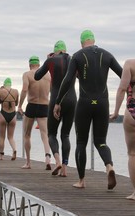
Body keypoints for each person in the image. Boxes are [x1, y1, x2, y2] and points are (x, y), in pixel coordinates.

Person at [54, 30, 122, 189]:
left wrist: (58, 102)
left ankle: (81, 181)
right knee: (101, 142)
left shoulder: (77, 56)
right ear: (93, 40)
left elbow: (68, 79)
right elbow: (122, 74)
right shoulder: (107, 55)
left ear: (81, 42)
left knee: (81, 142)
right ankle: (109, 166)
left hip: (84, 103)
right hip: (103, 103)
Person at [34, 41, 77, 176]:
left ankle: (57, 161)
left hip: (55, 100)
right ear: (65, 50)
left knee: (52, 133)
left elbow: (37, 76)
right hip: (71, 99)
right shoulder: (73, 60)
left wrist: (48, 61)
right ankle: (64, 168)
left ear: (55, 50)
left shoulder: (51, 60)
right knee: (66, 134)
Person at [18, 56, 52, 169]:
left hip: (32, 105)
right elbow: (52, 90)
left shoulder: (27, 74)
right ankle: (47, 157)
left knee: (27, 134)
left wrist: (19, 105)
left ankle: (28, 162)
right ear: (39, 64)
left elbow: (24, 89)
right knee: (44, 134)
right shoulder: (48, 75)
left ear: (29, 65)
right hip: (44, 105)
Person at [110, 59, 135, 199]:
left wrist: (115, 112)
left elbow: (122, 89)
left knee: (132, 154)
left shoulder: (130, 64)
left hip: (132, 110)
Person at [0, 77, 19, 160]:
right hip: (13, 115)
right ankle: (14, 149)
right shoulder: (16, 91)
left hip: (3, 114)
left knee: (2, 137)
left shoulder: (1, 91)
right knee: (11, 137)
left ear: (4, 84)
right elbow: (16, 104)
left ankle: (1, 155)